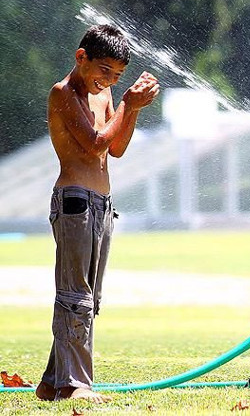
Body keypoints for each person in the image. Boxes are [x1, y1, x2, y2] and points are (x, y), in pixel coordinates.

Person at [35, 24, 160, 403]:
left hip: (102, 204)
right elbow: (93, 144)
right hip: (74, 200)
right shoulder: (64, 93)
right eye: (103, 70)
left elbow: (116, 147)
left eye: (117, 76)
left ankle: (53, 381)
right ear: (81, 58)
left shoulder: (103, 95)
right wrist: (128, 103)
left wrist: (129, 109)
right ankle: (76, 384)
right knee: (76, 296)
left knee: (90, 298)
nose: (108, 81)